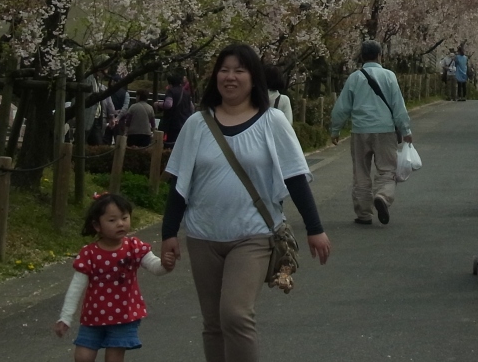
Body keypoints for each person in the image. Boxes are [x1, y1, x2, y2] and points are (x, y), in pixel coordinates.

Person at [161, 44, 331, 362]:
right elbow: (179, 184)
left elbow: (295, 177)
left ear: (254, 78)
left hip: (253, 234)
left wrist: (315, 228)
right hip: (203, 235)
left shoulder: (273, 121)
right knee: (213, 324)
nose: (231, 77)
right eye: (224, 70)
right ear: (215, 77)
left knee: (236, 316)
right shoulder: (197, 125)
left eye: (240, 70)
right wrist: (168, 232)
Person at [54, 193, 170, 361]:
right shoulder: (89, 254)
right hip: (93, 317)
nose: (120, 224)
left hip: (123, 316)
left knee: (113, 358)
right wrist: (65, 317)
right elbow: (76, 287)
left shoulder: (134, 247)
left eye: (124, 217)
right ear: (97, 225)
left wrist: (166, 265)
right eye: (112, 220)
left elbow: (156, 267)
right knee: (82, 357)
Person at [329, 40, 413, 225]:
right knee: (386, 170)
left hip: (360, 131)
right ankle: (382, 196)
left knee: (360, 171)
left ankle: (364, 214)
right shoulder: (389, 76)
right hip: (385, 130)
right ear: (379, 55)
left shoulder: (354, 77)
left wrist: (335, 129)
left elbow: (342, 107)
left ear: (362, 56)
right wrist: (405, 129)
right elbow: (398, 106)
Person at [159, 72, 194, 146]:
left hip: (173, 124)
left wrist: (158, 104)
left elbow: (168, 104)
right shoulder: (186, 93)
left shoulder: (171, 91)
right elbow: (192, 107)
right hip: (184, 123)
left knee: (170, 145)